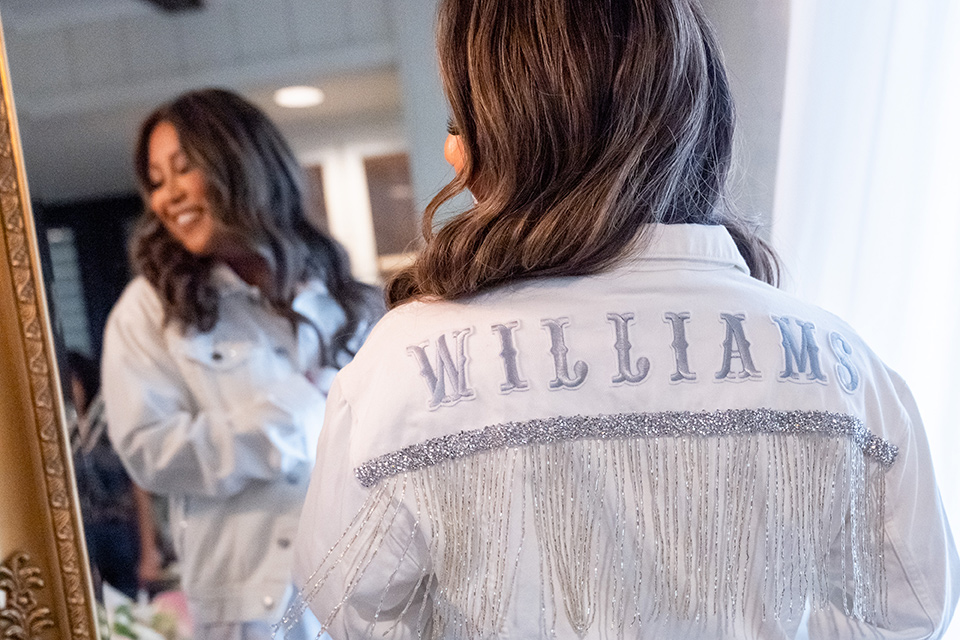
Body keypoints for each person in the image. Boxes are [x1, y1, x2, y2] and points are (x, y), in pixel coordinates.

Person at [288, 0, 960, 638]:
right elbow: (910, 610)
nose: (450, 153)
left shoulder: (403, 366)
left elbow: (351, 611)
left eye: (459, 119)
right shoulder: (839, 362)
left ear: (507, 130)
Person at [102, 88, 383, 640]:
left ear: (242, 165)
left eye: (183, 170)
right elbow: (152, 454)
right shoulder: (150, 311)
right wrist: (299, 412)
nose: (167, 197)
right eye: (156, 180)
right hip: (252, 612)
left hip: (367, 592)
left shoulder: (345, 300)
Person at [67, 350, 166, 601]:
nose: (69, 389)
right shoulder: (57, 438)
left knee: (132, 605)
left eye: (73, 380)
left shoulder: (110, 428)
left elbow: (138, 488)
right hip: (79, 533)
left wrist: (149, 550)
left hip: (122, 532)